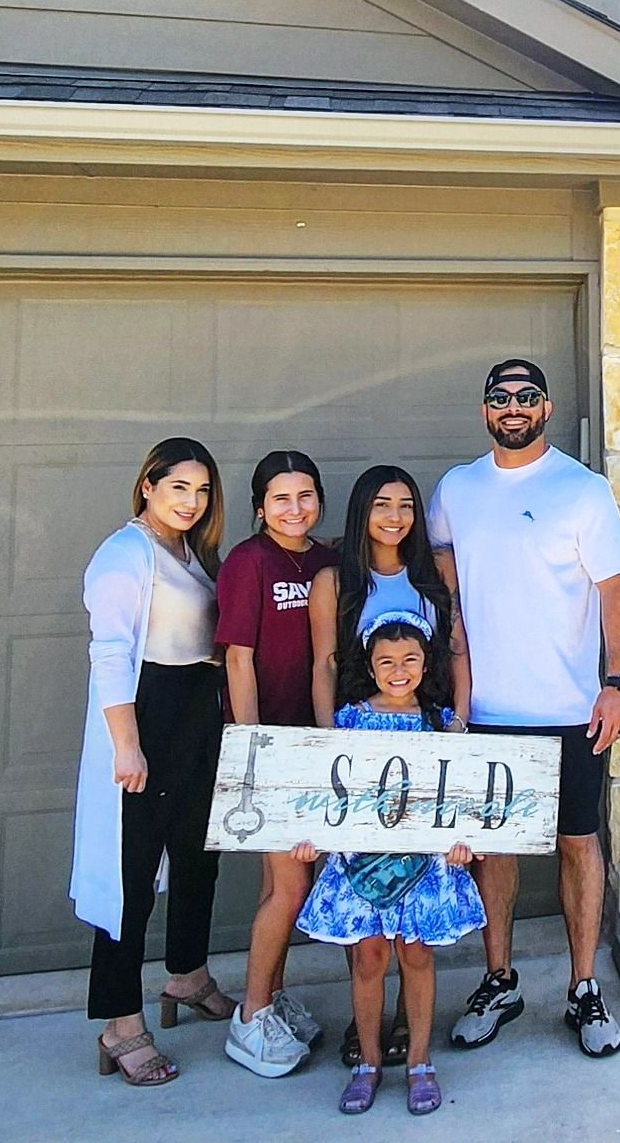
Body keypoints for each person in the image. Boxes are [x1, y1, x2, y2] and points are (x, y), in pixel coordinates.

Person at [428, 360, 620, 1059]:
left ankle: (584, 987)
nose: (512, 406)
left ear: (545, 408)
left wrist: (618, 683)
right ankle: (500, 982)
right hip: (488, 708)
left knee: (579, 842)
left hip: (571, 708)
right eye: (500, 397)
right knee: (494, 850)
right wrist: (457, 612)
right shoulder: (457, 488)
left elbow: (617, 592)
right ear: (485, 410)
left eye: (526, 396)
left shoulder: (581, 489)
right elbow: (439, 550)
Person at [71, 437, 235, 1087]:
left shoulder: (190, 553)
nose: (191, 502)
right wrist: (127, 744)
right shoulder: (124, 553)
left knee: (198, 857)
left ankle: (188, 976)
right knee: (131, 877)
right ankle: (120, 1023)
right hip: (147, 717)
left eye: (202, 491)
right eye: (178, 487)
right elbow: (110, 653)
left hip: (197, 715)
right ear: (148, 485)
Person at [309, 464, 471, 1068]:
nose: (395, 517)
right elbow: (325, 663)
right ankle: (368, 1028)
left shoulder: (437, 571)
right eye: (382, 505)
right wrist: (329, 742)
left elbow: (458, 649)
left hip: (429, 736)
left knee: (418, 900)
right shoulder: (335, 579)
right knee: (364, 894)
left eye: (405, 505)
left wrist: (458, 724)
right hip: (361, 740)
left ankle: (409, 1022)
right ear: (362, 512)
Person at [294, 611, 485, 1116]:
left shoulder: (442, 724)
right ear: (370, 666)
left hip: (424, 865)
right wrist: (312, 837)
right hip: (362, 863)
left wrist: (462, 842)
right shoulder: (349, 721)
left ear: (426, 663)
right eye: (386, 662)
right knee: (369, 959)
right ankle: (368, 1062)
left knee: (417, 956)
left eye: (409, 660)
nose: (399, 671)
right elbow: (326, 790)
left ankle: (420, 1060)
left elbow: (459, 797)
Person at [216, 450, 337, 1076]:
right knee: (290, 887)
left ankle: (273, 998)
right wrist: (250, 747)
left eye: (306, 495)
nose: (295, 508)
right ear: (260, 506)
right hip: (268, 748)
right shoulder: (249, 561)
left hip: (311, 743)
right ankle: (251, 1016)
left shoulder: (325, 561)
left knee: (283, 884)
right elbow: (238, 659)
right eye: (281, 498)